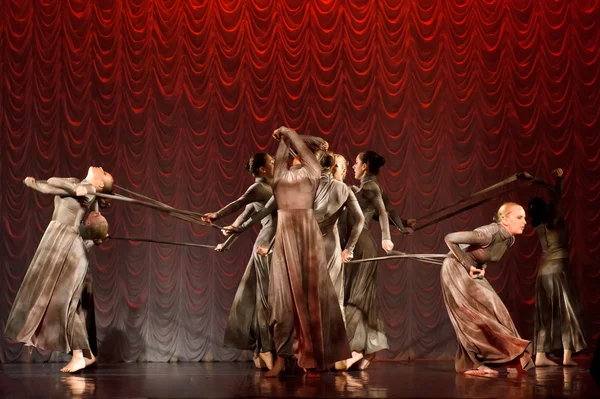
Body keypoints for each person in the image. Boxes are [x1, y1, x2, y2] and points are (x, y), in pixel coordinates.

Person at [5, 167, 113, 373]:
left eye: (105, 173)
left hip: (68, 246)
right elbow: (54, 186)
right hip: (61, 241)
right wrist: (35, 184)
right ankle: (86, 355)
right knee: (72, 304)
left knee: (66, 304)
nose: (101, 168)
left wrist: (43, 184)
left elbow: (54, 181)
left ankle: (79, 356)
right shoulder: (79, 185)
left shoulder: (88, 188)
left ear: (100, 185)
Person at [262, 126, 350, 377]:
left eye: (298, 153)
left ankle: (313, 357)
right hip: (285, 235)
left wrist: (288, 132)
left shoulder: (311, 171)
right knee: (282, 298)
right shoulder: (280, 173)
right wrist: (282, 135)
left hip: (305, 233)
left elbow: (300, 147)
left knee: (310, 297)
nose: (295, 155)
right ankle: (283, 357)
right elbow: (283, 151)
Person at [440, 202, 534, 374]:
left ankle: (512, 358)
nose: (524, 222)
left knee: (497, 310)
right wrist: (468, 264)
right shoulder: (487, 234)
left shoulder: (509, 239)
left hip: (472, 270)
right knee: (471, 316)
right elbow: (450, 238)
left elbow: (482, 255)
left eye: (525, 218)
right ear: (505, 220)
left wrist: (481, 266)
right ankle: (472, 364)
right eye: (519, 217)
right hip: (455, 268)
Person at [204, 153, 277, 369]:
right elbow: (239, 208)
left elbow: (240, 222)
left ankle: (268, 349)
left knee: (271, 299)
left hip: (276, 243)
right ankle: (265, 348)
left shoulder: (274, 187)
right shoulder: (258, 188)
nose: (275, 163)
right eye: (271, 162)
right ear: (262, 170)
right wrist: (216, 217)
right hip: (267, 245)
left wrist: (225, 244)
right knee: (265, 300)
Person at [342, 150, 395, 370]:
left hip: (362, 245)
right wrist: (404, 225)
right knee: (361, 295)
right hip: (360, 245)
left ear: (364, 166)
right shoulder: (366, 187)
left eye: (356, 163)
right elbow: (389, 211)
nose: (353, 166)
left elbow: (383, 212)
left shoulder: (371, 186)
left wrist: (386, 237)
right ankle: (368, 348)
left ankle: (355, 349)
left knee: (357, 296)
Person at [529, 168, 586, 367]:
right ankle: (567, 357)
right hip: (557, 271)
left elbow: (555, 200)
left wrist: (540, 182)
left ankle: (540, 356)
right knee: (567, 311)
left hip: (543, 273)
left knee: (545, 314)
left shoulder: (539, 226)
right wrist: (557, 180)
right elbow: (557, 197)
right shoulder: (555, 221)